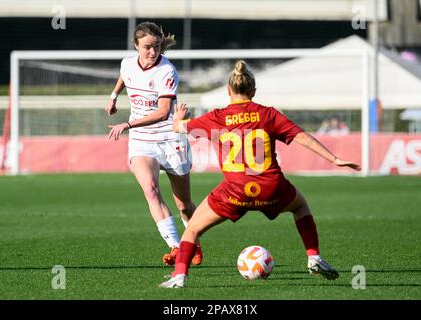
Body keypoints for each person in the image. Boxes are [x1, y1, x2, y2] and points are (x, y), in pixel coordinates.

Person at [159, 60, 360, 288]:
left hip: (234, 190)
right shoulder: (268, 115)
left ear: (228, 91)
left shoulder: (217, 117)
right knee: (300, 207)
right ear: (253, 91)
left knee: (193, 228)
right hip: (271, 186)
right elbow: (301, 137)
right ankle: (313, 257)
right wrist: (334, 159)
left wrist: (177, 119)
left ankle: (179, 277)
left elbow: (179, 128)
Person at [106, 21, 202, 266]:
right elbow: (124, 77)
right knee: (150, 189)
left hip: (170, 137)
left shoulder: (167, 71)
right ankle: (176, 246)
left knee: (184, 204)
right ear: (136, 45)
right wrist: (114, 97)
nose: (152, 52)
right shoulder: (128, 63)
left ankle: (194, 240)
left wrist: (127, 125)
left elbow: (162, 112)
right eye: (147, 47)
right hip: (142, 141)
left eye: (157, 47)